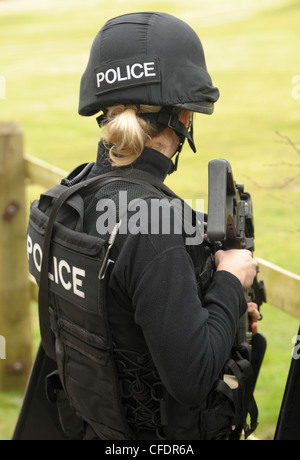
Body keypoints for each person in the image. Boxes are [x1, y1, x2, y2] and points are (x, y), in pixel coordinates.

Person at [36, 12, 260, 440]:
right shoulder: (154, 227)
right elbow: (191, 380)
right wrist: (231, 281)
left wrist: (216, 307)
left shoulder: (65, 199)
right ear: (185, 119)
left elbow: (111, 318)